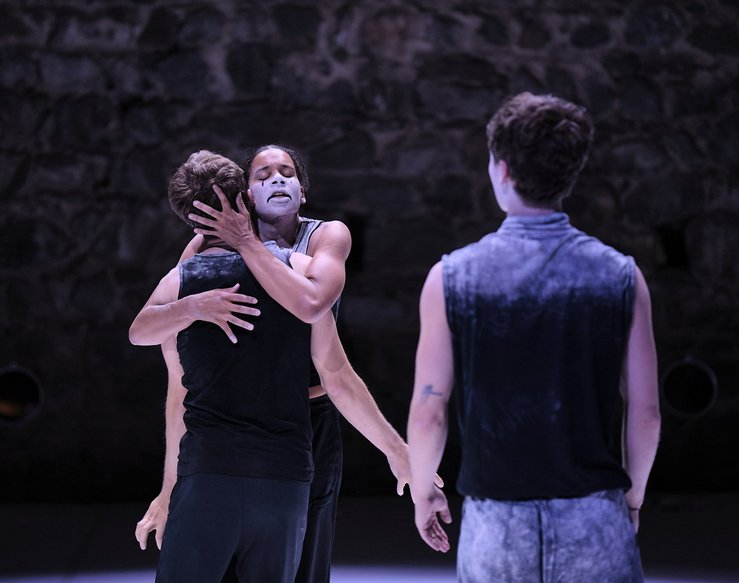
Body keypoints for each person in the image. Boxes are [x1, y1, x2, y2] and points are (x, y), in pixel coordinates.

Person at [131, 147, 428, 582]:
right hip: (238, 433)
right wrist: (168, 487)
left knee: (304, 562)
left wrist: (397, 451)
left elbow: (315, 315)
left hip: (307, 419)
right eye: (264, 173)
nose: (276, 179)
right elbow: (176, 371)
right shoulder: (199, 258)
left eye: (287, 172)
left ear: (303, 190)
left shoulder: (322, 240)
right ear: (247, 196)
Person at [407, 92, 661, 582]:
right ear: (570, 172)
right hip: (594, 515)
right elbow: (646, 413)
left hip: (495, 523)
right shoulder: (622, 276)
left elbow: (429, 410)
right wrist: (632, 498)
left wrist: (423, 490)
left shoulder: (451, 278)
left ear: (502, 169)